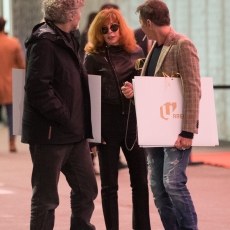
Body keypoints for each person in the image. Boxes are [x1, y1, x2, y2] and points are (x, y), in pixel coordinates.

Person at [121, 1, 201, 230]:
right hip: (155, 130)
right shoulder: (154, 48)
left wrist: (188, 131)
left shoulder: (183, 45)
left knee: (173, 183)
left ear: (148, 22)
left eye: (141, 24)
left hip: (176, 130)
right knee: (157, 188)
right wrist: (135, 93)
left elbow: (193, 88)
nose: (141, 30)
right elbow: (158, 91)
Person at [21, 0, 98, 229]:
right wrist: (64, 115)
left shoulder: (68, 38)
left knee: (87, 189)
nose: (80, 16)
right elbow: (38, 89)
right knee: (46, 199)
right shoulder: (44, 42)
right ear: (71, 15)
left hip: (75, 134)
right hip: (50, 135)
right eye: (79, 12)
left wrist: (82, 124)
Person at [84, 8, 151, 230]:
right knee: (109, 187)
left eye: (114, 27)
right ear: (99, 32)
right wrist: (93, 136)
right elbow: (88, 98)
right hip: (106, 127)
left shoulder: (136, 52)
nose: (110, 32)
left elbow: (148, 87)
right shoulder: (93, 57)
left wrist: (136, 91)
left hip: (132, 124)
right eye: (105, 29)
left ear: (121, 28)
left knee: (140, 182)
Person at [0, 16, 25, 152]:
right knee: (12, 115)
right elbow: (21, 64)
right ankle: (11, 142)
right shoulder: (13, 43)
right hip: (10, 83)